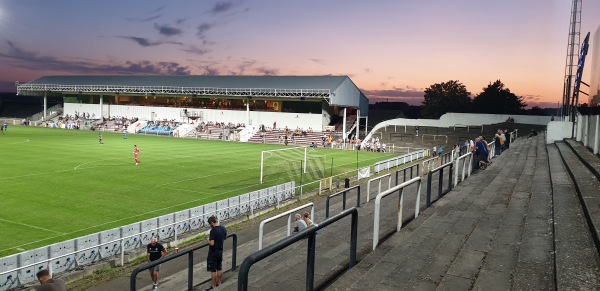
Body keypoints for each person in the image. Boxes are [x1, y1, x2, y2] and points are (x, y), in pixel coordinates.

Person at [206, 216, 227, 290]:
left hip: (213, 253)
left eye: (210, 224)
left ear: (212, 223)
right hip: (220, 251)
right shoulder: (223, 228)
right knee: (219, 268)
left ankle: (214, 286)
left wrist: (207, 240)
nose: (210, 226)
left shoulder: (213, 231)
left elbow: (212, 243)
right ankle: (220, 283)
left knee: (213, 270)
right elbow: (224, 238)